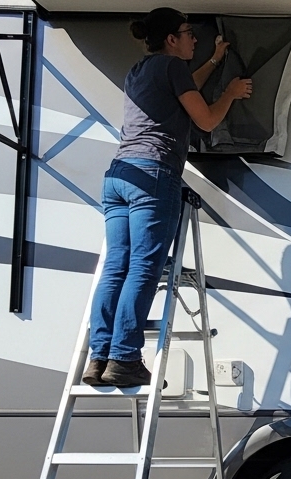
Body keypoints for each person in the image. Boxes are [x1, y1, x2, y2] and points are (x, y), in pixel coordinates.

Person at [85, 7, 252, 388]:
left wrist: (214, 60)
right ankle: (125, 358)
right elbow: (205, 119)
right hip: (152, 175)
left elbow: (186, 88)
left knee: (116, 268)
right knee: (144, 268)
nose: (195, 38)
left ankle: (99, 358)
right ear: (171, 39)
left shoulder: (140, 70)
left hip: (119, 176)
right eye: (189, 33)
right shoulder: (172, 67)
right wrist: (230, 93)